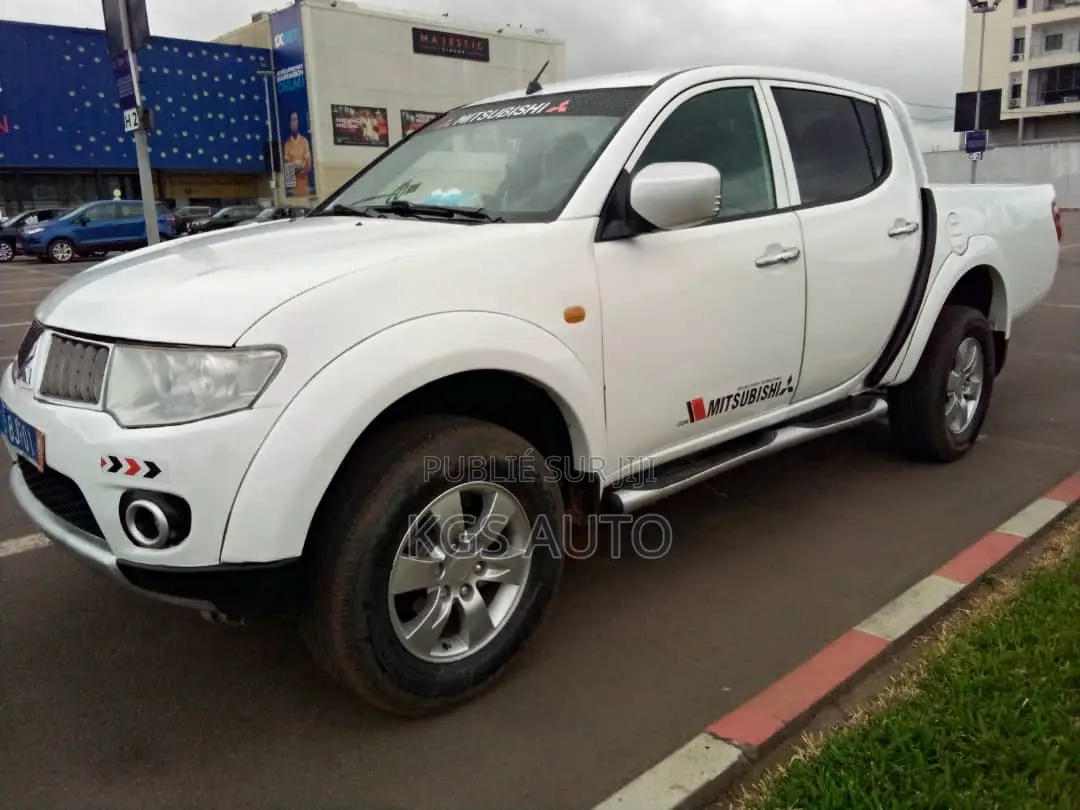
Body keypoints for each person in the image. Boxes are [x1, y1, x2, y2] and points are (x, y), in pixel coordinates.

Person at [282, 111, 313, 198]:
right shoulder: (287, 144)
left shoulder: (304, 141)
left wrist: (296, 167)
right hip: (294, 193)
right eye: (292, 120)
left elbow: (308, 166)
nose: (294, 123)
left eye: (295, 120)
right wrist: (300, 166)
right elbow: (288, 173)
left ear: (298, 121)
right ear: (289, 123)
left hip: (305, 189)